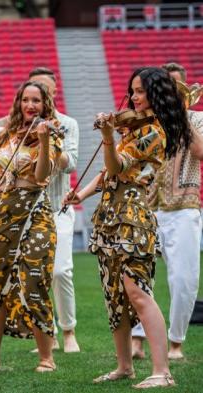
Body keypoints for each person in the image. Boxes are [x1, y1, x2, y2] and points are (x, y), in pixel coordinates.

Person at [64, 67, 191, 388]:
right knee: (115, 295)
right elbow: (108, 175)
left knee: (138, 292)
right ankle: (124, 367)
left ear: (156, 94)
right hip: (109, 213)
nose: (133, 97)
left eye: (140, 91)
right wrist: (79, 194)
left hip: (133, 216)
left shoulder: (158, 131)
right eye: (131, 91)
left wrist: (107, 137)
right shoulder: (133, 130)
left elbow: (116, 165)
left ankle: (162, 371)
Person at [0, 81, 62, 374]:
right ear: (19, 103)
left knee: (35, 278)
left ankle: (47, 357)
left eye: (36, 100)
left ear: (45, 104)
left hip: (36, 210)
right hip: (5, 212)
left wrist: (45, 141)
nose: (30, 105)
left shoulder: (52, 135)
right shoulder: (7, 135)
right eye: (26, 100)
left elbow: (41, 175)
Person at [131, 62, 203, 361]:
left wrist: (181, 117)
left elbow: (201, 153)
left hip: (183, 207)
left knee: (183, 279)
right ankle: (136, 339)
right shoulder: (143, 121)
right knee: (137, 276)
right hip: (145, 206)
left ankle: (176, 342)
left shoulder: (196, 119)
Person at [27, 67, 81, 353]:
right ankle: (46, 333)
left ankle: (69, 330)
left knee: (60, 271)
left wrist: (50, 140)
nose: (39, 98)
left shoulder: (68, 123)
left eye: (45, 91)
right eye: (35, 92)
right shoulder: (23, 124)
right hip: (29, 210)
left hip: (58, 208)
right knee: (36, 276)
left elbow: (70, 164)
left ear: (54, 92)